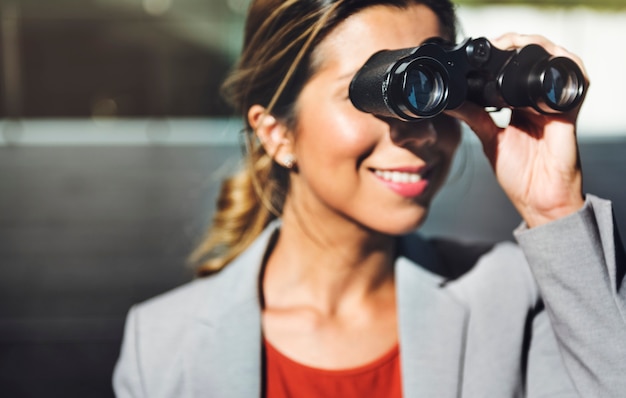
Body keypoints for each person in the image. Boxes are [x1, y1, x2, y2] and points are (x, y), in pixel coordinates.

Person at [113, 0, 626, 397]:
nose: (422, 133)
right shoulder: (162, 345)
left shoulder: (515, 297)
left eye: (434, 87)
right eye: (377, 93)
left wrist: (554, 210)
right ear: (276, 133)